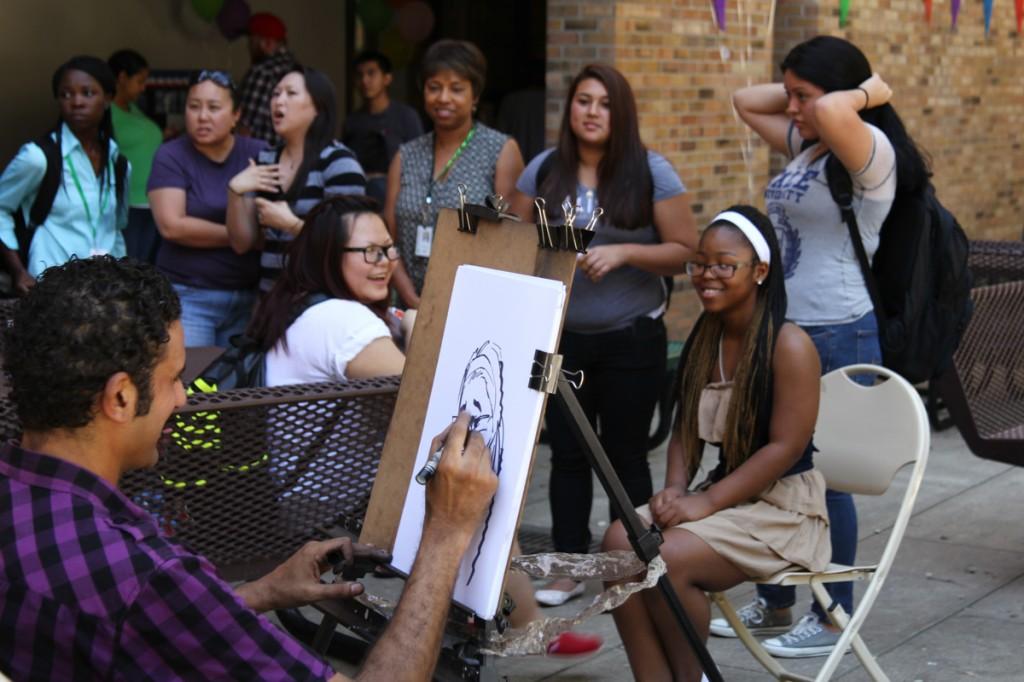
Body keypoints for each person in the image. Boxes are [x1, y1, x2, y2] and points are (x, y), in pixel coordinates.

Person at [0, 255, 498, 681]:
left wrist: (258, 594)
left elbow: (143, 628)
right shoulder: (143, 575)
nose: (182, 398)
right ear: (121, 397)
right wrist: (445, 533)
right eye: (175, 378)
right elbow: (141, 602)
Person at [727, 35, 929, 658]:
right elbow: (743, 99)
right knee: (777, 467)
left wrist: (867, 91)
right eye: (789, 94)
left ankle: (835, 612)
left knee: (827, 478)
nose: (789, 106)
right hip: (789, 328)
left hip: (841, 327)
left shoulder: (867, 151)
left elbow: (839, 113)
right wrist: (803, 95)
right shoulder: (810, 142)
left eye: (803, 95)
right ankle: (780, 599)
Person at [603, 206, 827, 681]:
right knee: (619, 542)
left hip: (781, 509)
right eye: (700, 264)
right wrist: (675, 487)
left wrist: (705, 501)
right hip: (724, 495)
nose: (707, 275)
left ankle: (693, 677)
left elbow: (784, 447)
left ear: (760, 271)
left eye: (724, 265)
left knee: (665, 558)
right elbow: (686, 424)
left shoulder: (788, 345)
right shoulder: (708, 335)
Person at [509, 63, 698, 606]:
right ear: (570, 109)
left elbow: (685, 251)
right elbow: (514, 242)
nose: (592, 112)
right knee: (566, 454)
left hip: (630, 337)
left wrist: (624, 252)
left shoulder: (651, 171)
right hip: (561, 338)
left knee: (626, 456)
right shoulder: (543, 171)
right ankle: (568, 568)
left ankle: (633, 563)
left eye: (604, 103)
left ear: (621, 113)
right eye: (583, 101)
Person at [386, 39, 523, 307]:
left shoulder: (500, 150)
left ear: (475, 96)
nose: (443, 98)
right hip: (409, 305)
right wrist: (410, 298)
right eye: (434, 88)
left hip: (472, 304)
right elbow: (388, 239)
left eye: (456, 89)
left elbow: (511, 240)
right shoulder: (406, 155)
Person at [147, 70, 265, 348]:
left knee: (242, 388)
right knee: (195, 385)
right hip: (190, 296)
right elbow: (172, 226)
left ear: (236, 115)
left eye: (214, 108)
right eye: (194, 106)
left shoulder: (259, 153)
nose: (202, 116)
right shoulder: (170, 155)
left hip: (250, 296)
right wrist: (241, 237)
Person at [227, 66, 366, 292]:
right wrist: (234, 192)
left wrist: (290, 224)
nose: (278, 101)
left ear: (318, 108)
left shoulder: (339, 163)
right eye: (275, 94)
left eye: (291, 93)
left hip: (319, 301)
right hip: (270, 299)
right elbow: (242, 244)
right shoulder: (266, 160)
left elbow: (347, 245)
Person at [0, 55, 129, 292]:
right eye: (66, 94)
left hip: (103, 291)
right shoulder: (38, 157)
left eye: (88, 93)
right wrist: (18, 271)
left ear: (109, 98)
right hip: (50, 289)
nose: (76, 102)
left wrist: (122, 277)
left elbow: (116, 229)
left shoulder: (118, 163)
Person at [249, 195, 409, 385]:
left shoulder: (304, 304)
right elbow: (424, 394)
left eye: (388, 248)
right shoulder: (343, 319)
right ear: (329, 255)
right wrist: (419, 328)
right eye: (370, 251)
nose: (384, 261)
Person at [342, 50, 424, 206]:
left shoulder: (406, 116)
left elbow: (420, 163)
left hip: (399, 197)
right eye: (360, 75)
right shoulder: (352, 121)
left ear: (387, 78)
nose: (365, 80)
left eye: (371, 73)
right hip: (359, 196)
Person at [108, 49, 163, 264]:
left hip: (151, 204)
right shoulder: (104, 112)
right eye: (139, 81)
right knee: (128, 267)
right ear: (122, 77)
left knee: (145, 268)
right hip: (128, 206)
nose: (143, 87)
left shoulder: (133, 109)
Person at [237, 11, 296, 146]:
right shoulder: (299, 70)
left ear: (266, 43)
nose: (248, 47)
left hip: (262, 160)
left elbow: (245, 131)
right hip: (292, 160)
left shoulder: (262, 72)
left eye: (251, 42)